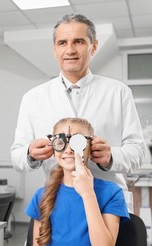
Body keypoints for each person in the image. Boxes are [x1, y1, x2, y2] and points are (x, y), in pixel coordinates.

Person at [11, 13, 146, 211]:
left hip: (107, 203)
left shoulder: (118, 92)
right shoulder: (33, 98)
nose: (70, 50)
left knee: (107, 243)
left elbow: (138, 152)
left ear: (94, 46)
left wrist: (110, 157)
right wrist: (30, 153)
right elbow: (17, 157)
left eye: (79, 41)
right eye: (62, 42)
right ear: (54, 49)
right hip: (58, 202)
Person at [25, 117, 130, 246]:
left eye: (77, 143)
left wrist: (88, 193)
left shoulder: (111, 193)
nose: (68, 150)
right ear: (53, 147)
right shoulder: (42, 195)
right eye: (61, 142)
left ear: (91, 147)